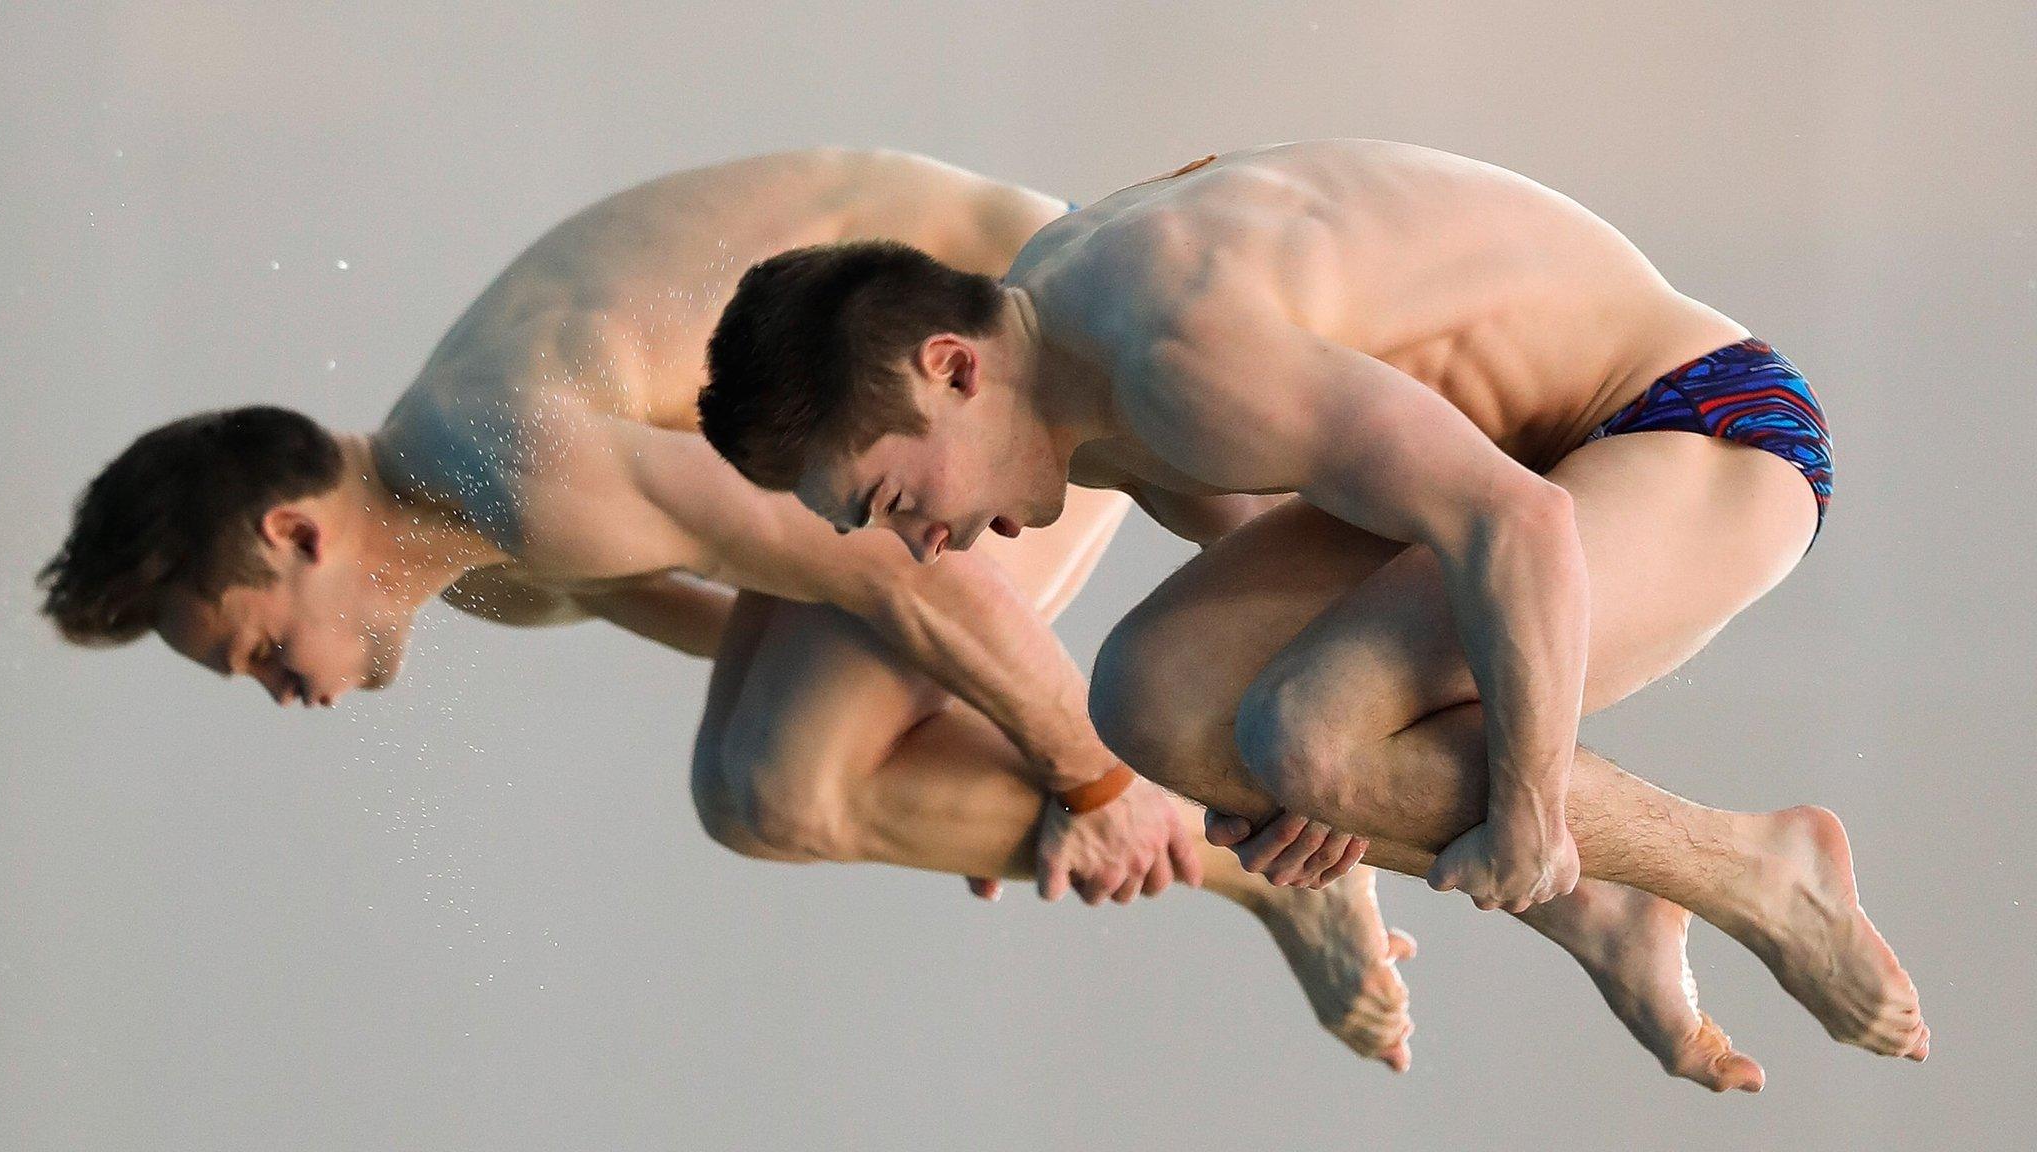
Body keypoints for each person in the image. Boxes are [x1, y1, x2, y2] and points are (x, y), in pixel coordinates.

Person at [40, 148, 1425, 1066]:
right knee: (774, 781)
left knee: (772, 786)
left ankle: (1270, 858)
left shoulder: (513, 467)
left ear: (295, 532)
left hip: (1005, 357)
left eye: (262, 650)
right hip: (907, 414)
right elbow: (798, 603)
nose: (290, 694)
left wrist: (1089, 774)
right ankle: (1282, 838)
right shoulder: (487, 560)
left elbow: (898, 575)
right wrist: (960, 769)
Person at [697, 140, 1929, 1087]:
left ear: (951, 370)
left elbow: (1519, 529)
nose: (921, 546)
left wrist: (1530, 813)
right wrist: (1299, 798)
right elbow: (1255, 578)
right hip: (1519, 468)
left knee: (1307, 730)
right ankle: (1603, 915)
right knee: (1153, 708)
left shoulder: (1175, 349)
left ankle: (1763, 874)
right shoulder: (1064, 352)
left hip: (1696, 427)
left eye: (894, 499)